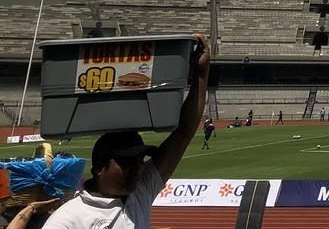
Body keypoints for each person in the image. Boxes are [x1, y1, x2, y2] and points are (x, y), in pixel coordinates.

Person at [45, 33, 210, 229]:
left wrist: (201, 73)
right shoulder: (67, 219)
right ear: (99, 168)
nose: (137, 169)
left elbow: (182, 134)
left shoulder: (140, 192)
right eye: (126, 163)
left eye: (140, 161)